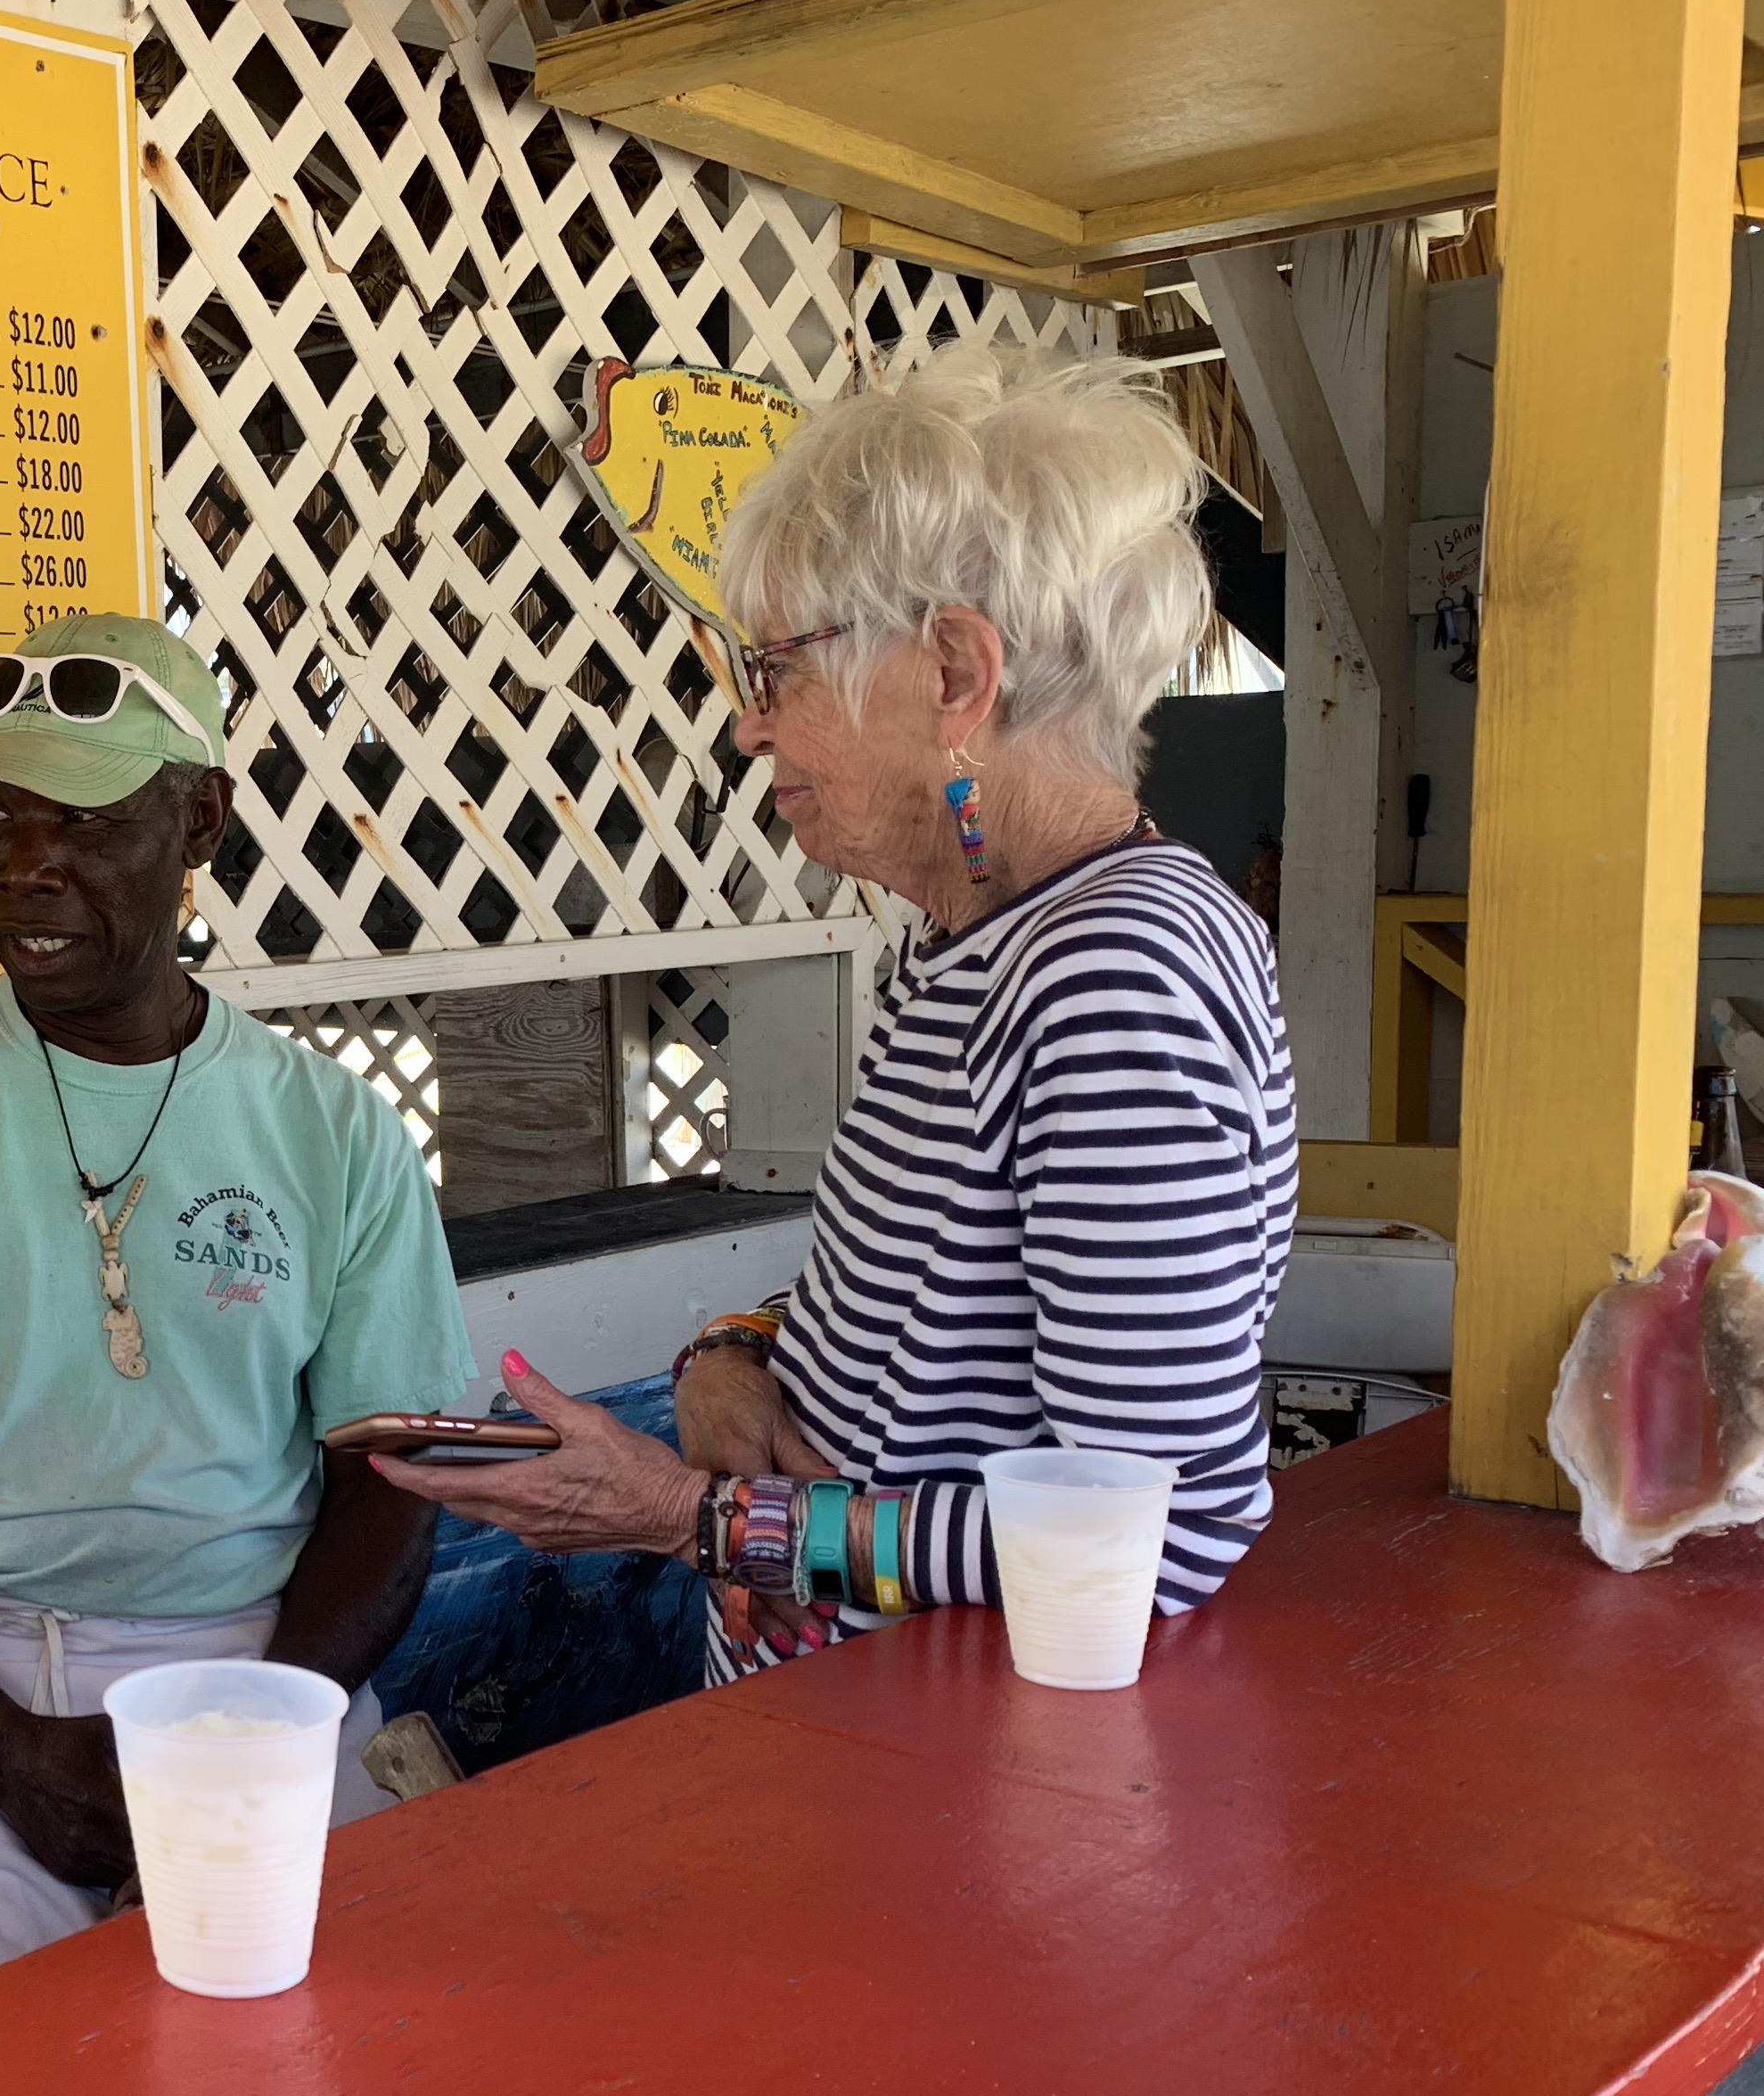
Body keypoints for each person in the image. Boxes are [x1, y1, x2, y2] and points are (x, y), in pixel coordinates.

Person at [377, 347, 1295, 1673]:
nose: (748, 729)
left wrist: (686, 1517)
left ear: (956, 675)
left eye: (775, 671)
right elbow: (908, 1312)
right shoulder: (976, 936)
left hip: (944, 1805)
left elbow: (1146, 1541)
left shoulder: (1114, 976)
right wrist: (733, 1351)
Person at [0, 613, 475, 2026]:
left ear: (198, 819)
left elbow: (386, 1484)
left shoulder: (333, 1134)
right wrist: (2, 1752)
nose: (26, 863)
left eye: (83, 819)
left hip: (263, 1671)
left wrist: (243, 1745)